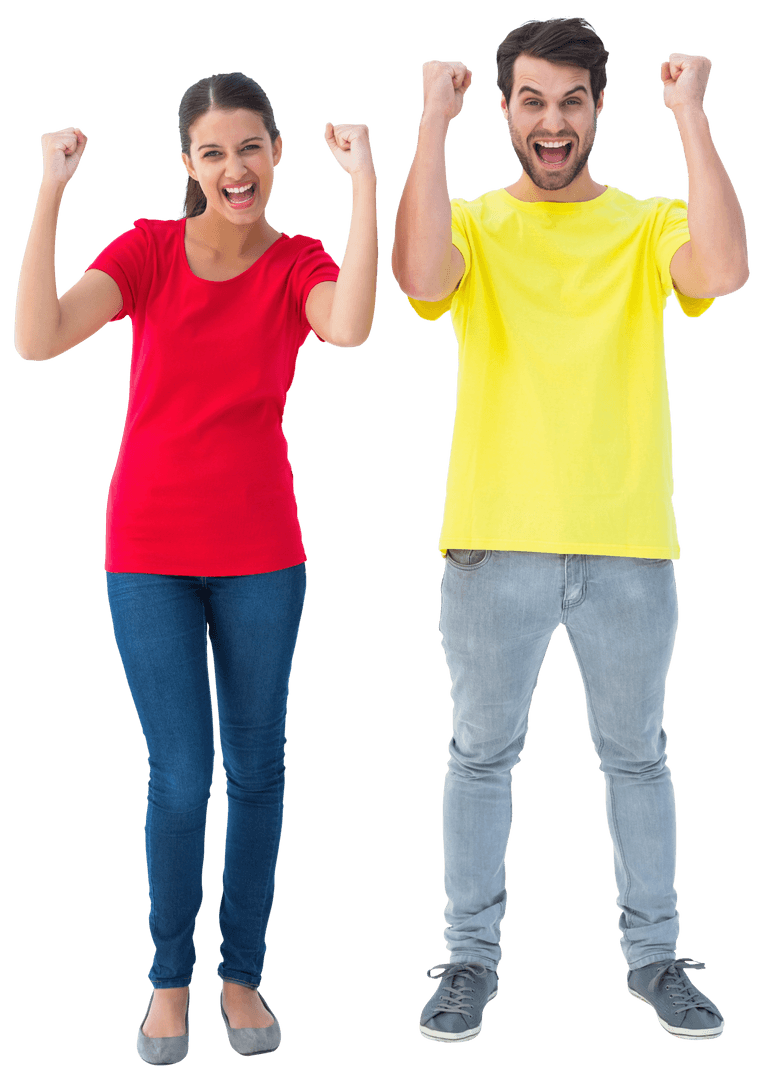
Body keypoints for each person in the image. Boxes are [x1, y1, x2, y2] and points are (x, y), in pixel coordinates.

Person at [391, 16, 748, 1046]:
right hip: (492, 543)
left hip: (628, 548)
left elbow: (720, 271)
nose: (552, 123)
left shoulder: (643, 227)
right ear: (504, 110)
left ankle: (653, 959)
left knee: (636, 759)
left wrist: (689, 113)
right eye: (532, 101)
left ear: (598, 109)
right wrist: (429, 120)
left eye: (572, 101)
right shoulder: (469, 222)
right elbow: (417, 279)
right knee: (480, 756)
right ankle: (467, 962)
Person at [14, 71, 377, 1065]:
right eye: (212, 153)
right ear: (189, 164)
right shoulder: (147, 250)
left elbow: (349, 325)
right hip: (149, 551)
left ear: (276, 153)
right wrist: (50, 187)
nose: (233, 169)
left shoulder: (297, 261)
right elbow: (38, 339)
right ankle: (167, 987)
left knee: (256, 770)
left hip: (264, 552)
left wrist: (363, 182)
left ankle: (242, 981)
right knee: (180, 778)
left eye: (249, 148)